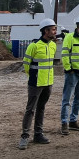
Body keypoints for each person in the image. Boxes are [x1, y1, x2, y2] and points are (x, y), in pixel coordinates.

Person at [19, 18, 58, 150]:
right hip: (35, 83)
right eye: (53, 29)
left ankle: (38, 134)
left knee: (41, 108)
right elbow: (26, 64)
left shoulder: (53, 45)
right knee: (30, 109)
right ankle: (24, 136)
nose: (55, 31)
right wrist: (33, 77)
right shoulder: (34, 46)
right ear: (45, 31)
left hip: (48, 83)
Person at [59, 15, 79, 135]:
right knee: (66, 99)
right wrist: (69, 69)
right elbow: (65, 53)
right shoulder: (69, 37)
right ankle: (64, 123)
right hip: (73, 73)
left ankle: (73, 121)